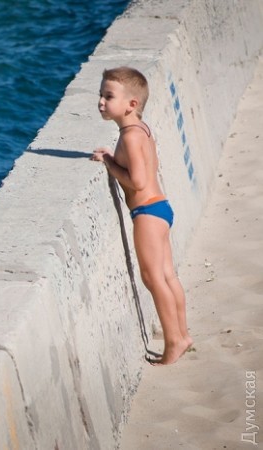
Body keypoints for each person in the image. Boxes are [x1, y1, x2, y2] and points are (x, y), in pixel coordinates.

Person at [91, 67, 192, 365]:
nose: (101, 101)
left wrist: (109, 162)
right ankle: (183, 334)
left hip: (146, 213)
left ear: (131, 104)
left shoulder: (130, 137)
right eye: (101, 94)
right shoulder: (141, 129)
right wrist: (114, 157)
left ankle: (173, 342)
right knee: (168, 276)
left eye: (108, 96)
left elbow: (137, 181)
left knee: (153, 278)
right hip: (160, 207)